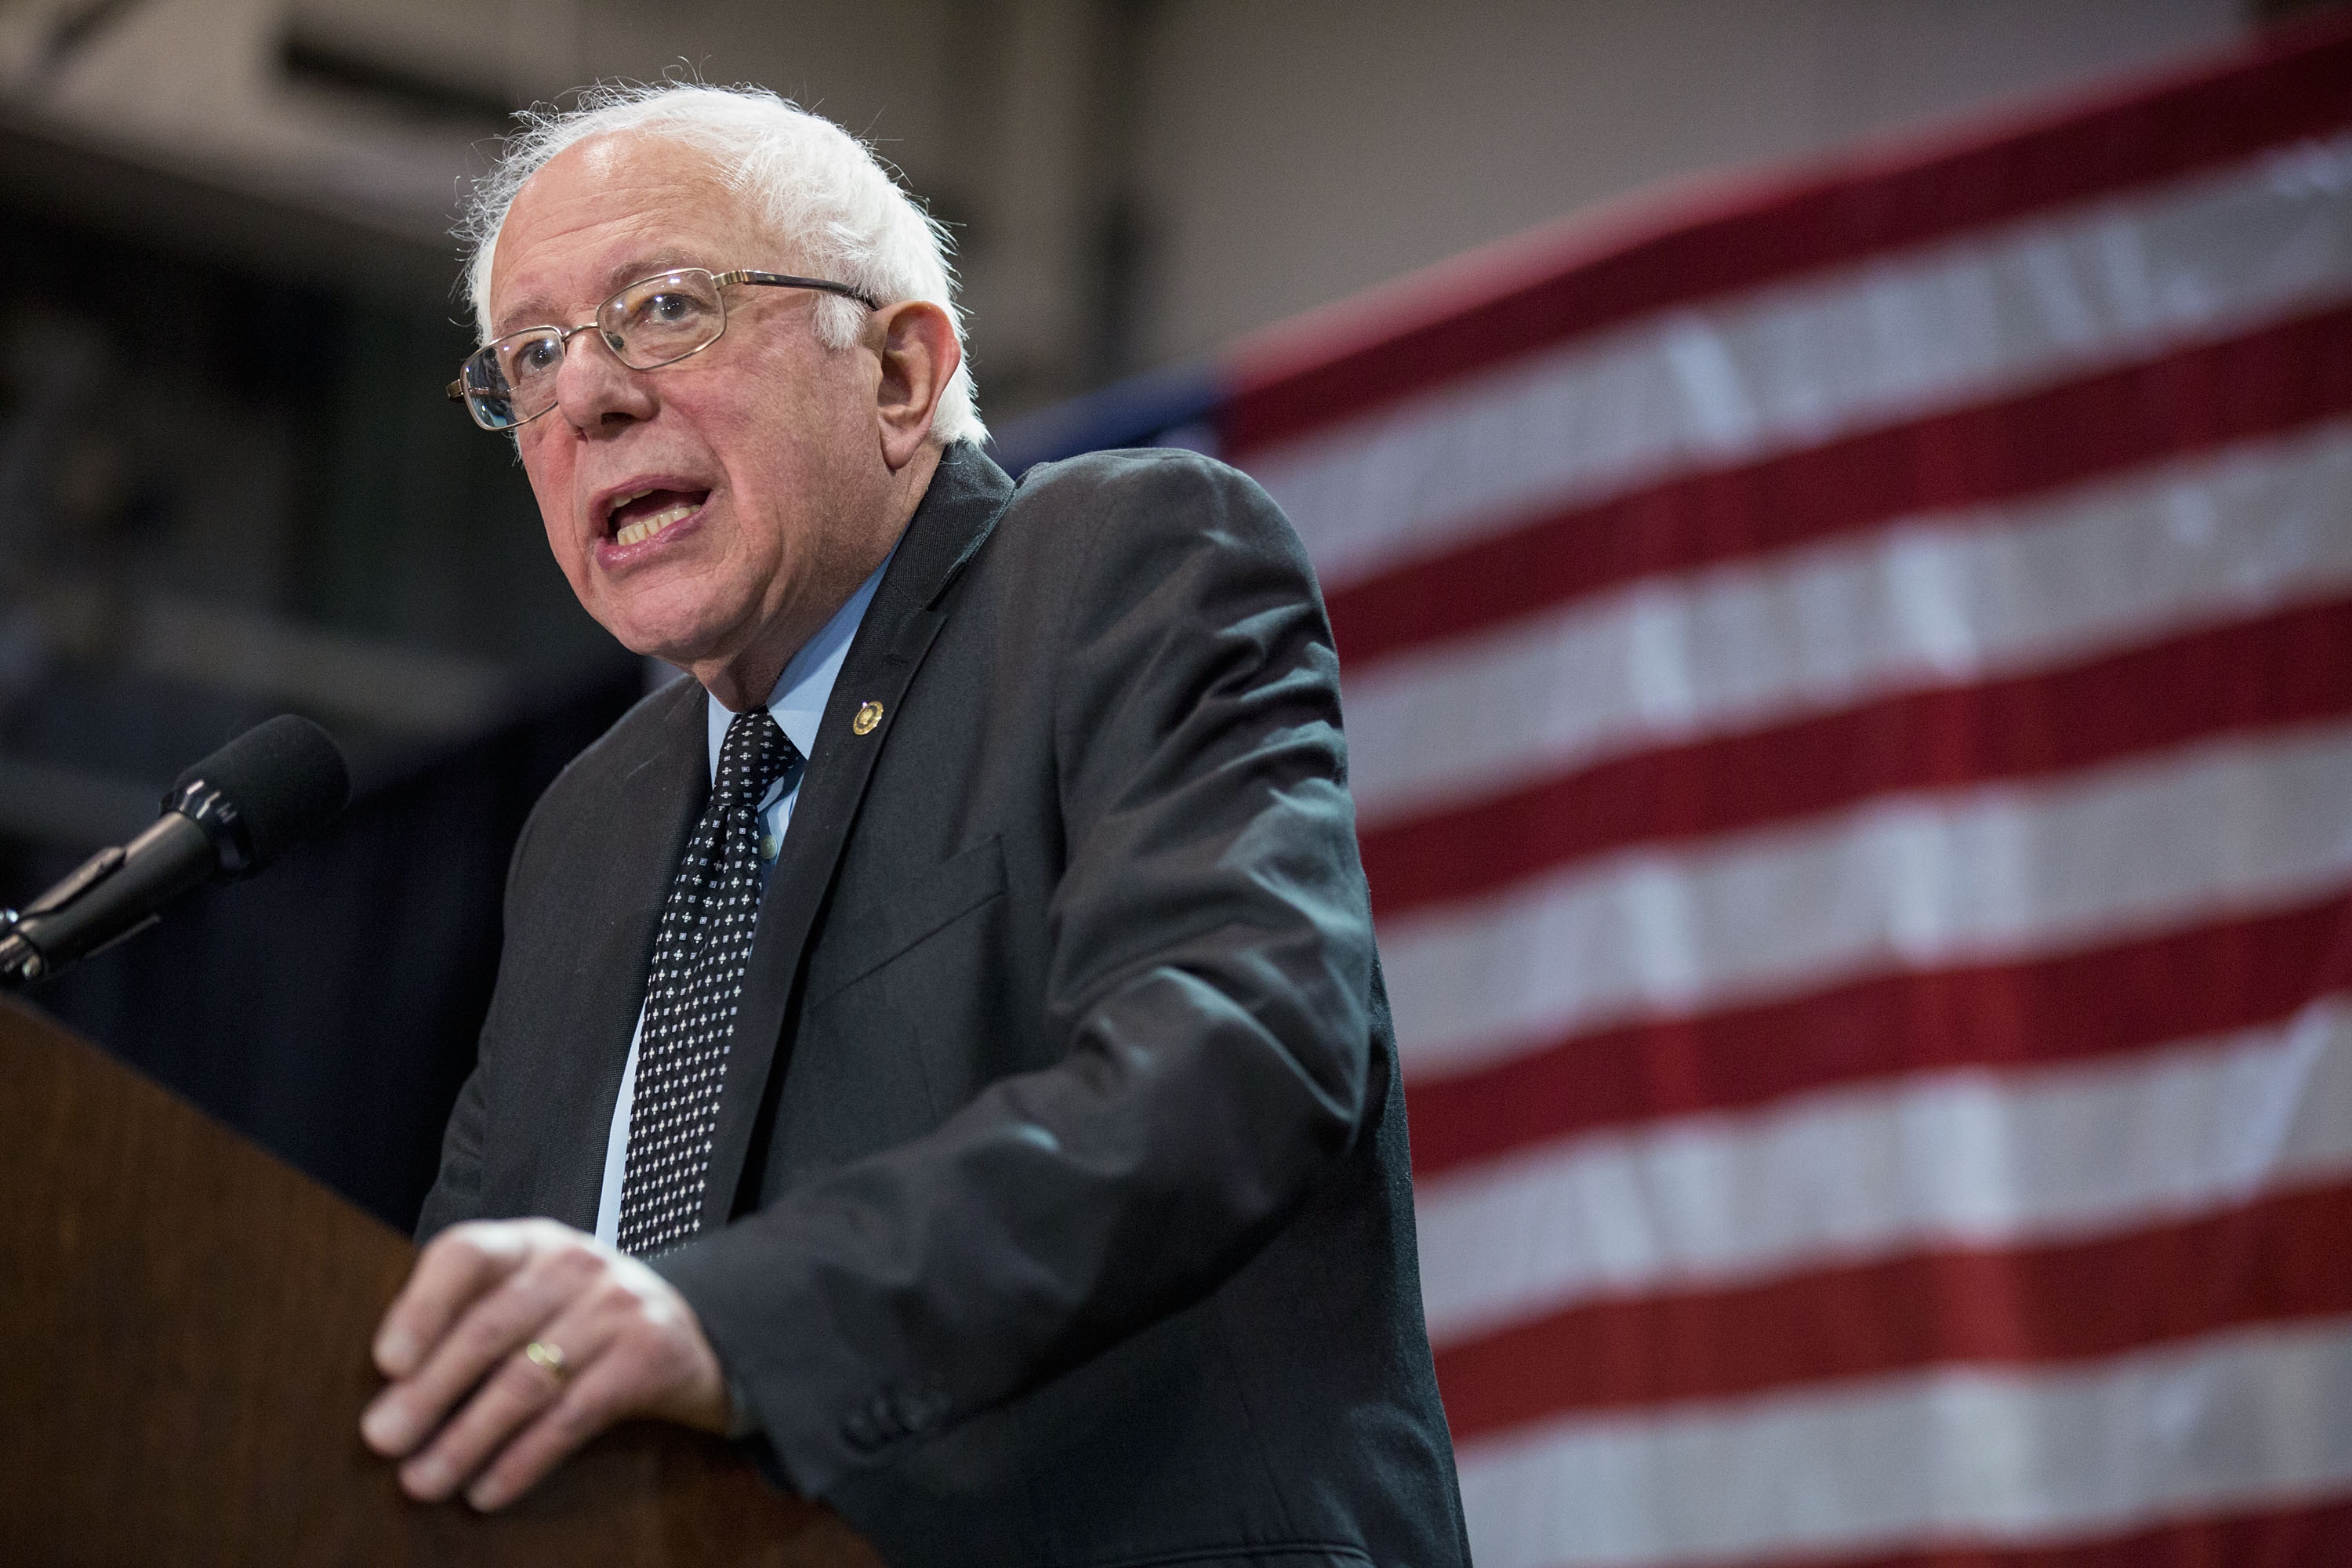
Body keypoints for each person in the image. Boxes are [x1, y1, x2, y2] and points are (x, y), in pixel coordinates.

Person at [364, 82, 1468, 1568]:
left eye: (666, 309)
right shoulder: (589, 826)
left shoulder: (1116, 572)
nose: (586, 400)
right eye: (534, 356)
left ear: (898, 372)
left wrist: (727, 1325)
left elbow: (1239, 1056)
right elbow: (475, 1309)